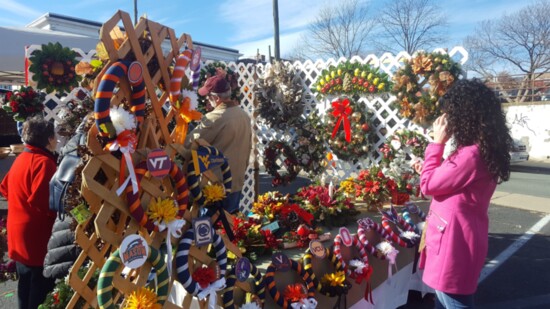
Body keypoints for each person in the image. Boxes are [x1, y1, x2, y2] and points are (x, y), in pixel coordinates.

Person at [418, 79, 512, 309]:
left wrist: (437, 143)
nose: (449, 121)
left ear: (466, 115)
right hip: (462, 238)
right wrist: (433, 167)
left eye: (452, 115)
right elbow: (447, 182)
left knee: (454, 302)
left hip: (454, 246)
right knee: (445, 301)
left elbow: (428, 185)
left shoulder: (470, 155)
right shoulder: (482, 150)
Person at [0, 117, 58, 309]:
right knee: (40, 290)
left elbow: (5, 188)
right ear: (49, 139)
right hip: (36, 237)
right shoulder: (43, 162)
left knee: (24, 287)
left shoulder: (21, 158)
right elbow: (45, 202)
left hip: (18, 233)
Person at [184, 74, 252, 214]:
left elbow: (188, 144)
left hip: (216, 186)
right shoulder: (243, 115)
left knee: (211, 231)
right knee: (230, 228)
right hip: (237, 182)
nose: (208, 101)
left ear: (216, 98)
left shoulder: (215, 117)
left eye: (208, 97)